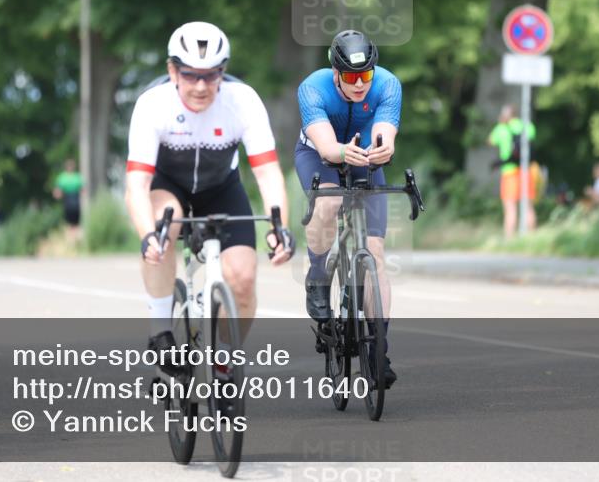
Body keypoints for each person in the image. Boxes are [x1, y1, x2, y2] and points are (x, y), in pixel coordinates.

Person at [124, 21, 294, 375]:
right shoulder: (152, 105)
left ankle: (225, 360)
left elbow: (267, 173)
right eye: (190, 75)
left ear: (222, 73)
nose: (200, 86)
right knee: (162, 227)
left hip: (221, 189)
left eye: (210, 75)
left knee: (244, 279)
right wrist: (147, 236)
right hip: (168, 186)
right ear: (173, 71)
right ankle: (160, 331)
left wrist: (280, 227)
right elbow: (137, 184)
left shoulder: (243, 100)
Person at [295, 29, 401, 388]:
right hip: (320, 156)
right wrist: (342, 153)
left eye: (366, 75)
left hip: (365, 158)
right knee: (329, 202)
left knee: (376, 252)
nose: (360, 84)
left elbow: (385, 131)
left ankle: (378, 350)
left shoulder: (387, 85)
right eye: (352, 77)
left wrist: (384, 148)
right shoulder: (313, 87)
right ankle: (318, 277)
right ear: (336, 73)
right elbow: (326, 147)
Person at [488, 104, 537, 237]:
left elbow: (491, 141)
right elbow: (532, 137)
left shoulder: (501, 127)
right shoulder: (526, 125)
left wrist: (500, 124)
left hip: (509, 172)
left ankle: (509, 239)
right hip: (525, 170)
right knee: (528, 206)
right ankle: (532, 238)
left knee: (510, 208)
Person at [53, 158, 84, 242]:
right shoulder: (62, 177)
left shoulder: (77, 177)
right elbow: (57, 191)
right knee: (69, 223)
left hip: (77, 200)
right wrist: (58, 194)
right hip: (67, 200)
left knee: (77, 223)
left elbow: (82, 190)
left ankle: (76, 241)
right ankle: (70, 241)